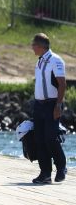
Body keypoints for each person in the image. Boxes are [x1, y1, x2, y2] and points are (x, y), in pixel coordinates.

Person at [31, 33, 67, 184]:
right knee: (39, 139)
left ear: (41, 46)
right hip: (39, 105)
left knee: (50, 138)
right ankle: (45, 173)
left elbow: (62, 84)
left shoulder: (55, 60)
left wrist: (58, 105)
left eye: (34, 45)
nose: (32, 47)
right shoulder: (39, 61)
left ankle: (61, 167)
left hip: (52, 104)